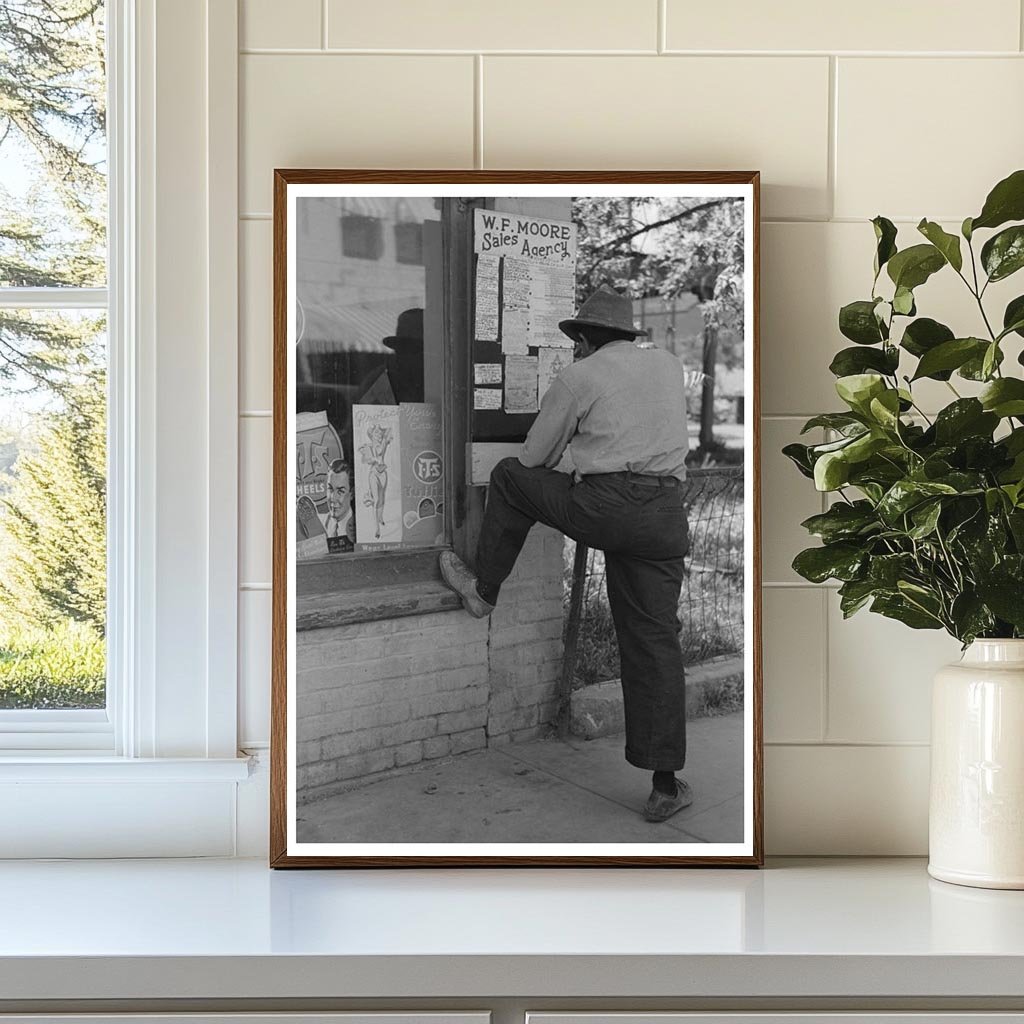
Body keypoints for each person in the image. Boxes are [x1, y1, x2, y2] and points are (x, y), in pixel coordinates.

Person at [439, 285, 692, 823]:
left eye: (576, 339)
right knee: (654, 642)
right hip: (666, 515)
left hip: (606, 509)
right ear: (628, 335)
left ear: (582, 339)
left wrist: (570, 449)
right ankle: (665, 784)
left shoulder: (580, 376)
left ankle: (485, 589)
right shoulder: (668, 366)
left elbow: (534, 455)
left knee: (509, 478)